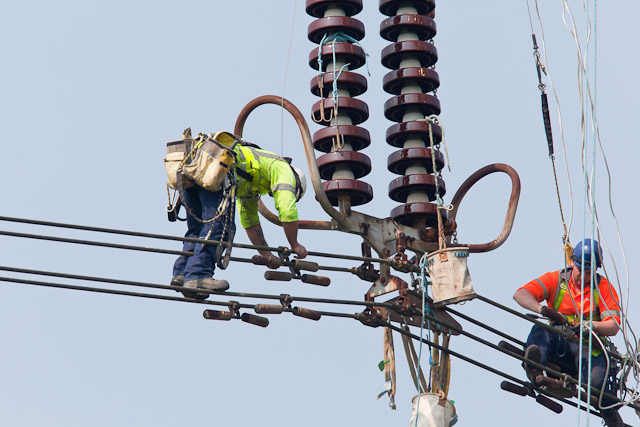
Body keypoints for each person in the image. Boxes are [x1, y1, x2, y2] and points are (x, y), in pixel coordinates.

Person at [513, 239, 623, 426]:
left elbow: (613, 326)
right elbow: (520, 294)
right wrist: (541, 309)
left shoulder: (603, 288)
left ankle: (607, 409)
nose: (584, 276)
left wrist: (592, 326)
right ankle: (534, 367)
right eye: (581, 270)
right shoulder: (556, 279)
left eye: (589, 272)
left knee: (596, 386)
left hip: (588, 345)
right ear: (573, 263)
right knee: (540, 329)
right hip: (559, 340)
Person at [233, 142, 308, 264]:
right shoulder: (284, 169)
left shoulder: (253, 184)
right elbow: (287, 211)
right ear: (296, 183)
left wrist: (267, 255)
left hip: (211, 174)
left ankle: (196, 272)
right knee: (217, 232)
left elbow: (250, 222)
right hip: (216, 164)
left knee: (204, 232)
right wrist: (295, 245)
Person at [171, 181, 235, 299]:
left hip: (188, 175)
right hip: (211, 174)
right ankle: (198, 274)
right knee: (217, 225)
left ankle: (183, 272)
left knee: (197, 229)